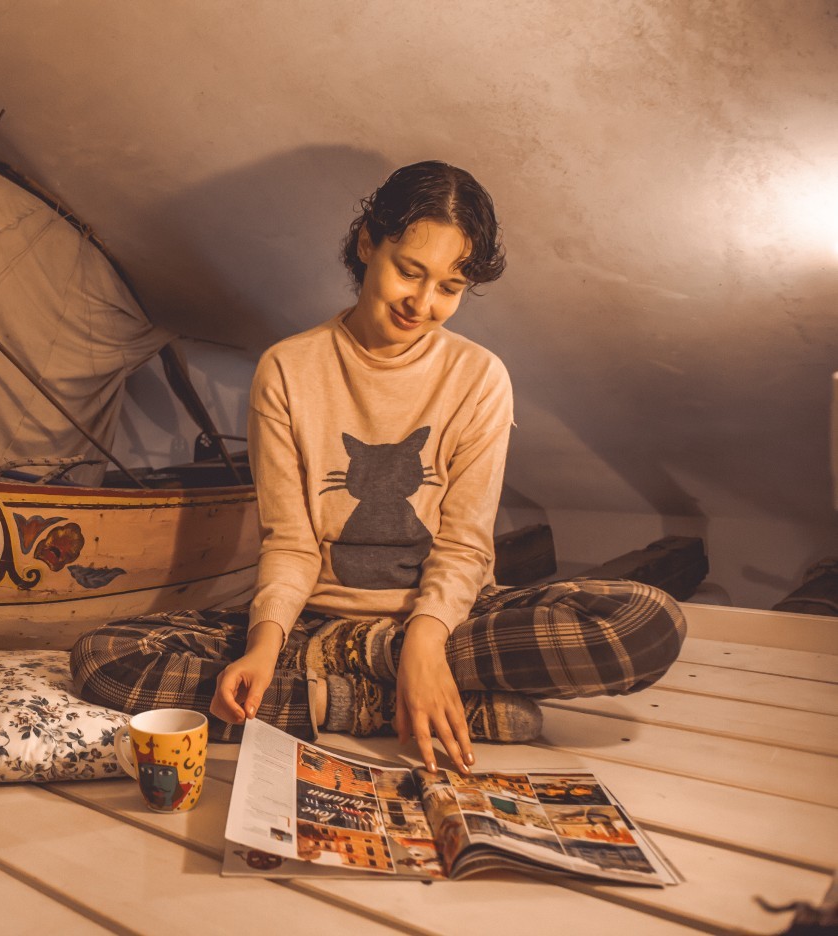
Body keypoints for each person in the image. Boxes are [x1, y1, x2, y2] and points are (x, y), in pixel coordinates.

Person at [71, 161, 686, 774]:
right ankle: (381, 699)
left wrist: (424, 641)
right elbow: (291, 542)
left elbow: (465, 546)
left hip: (445, 625)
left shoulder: (479, 377)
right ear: (368, 244)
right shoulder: (287, 369)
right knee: (104, 656)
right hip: (311, 629)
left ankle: (374, 683)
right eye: (409, 272)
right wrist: (264, 647)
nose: (422, 302)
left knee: (647, 623)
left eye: (449, 287)